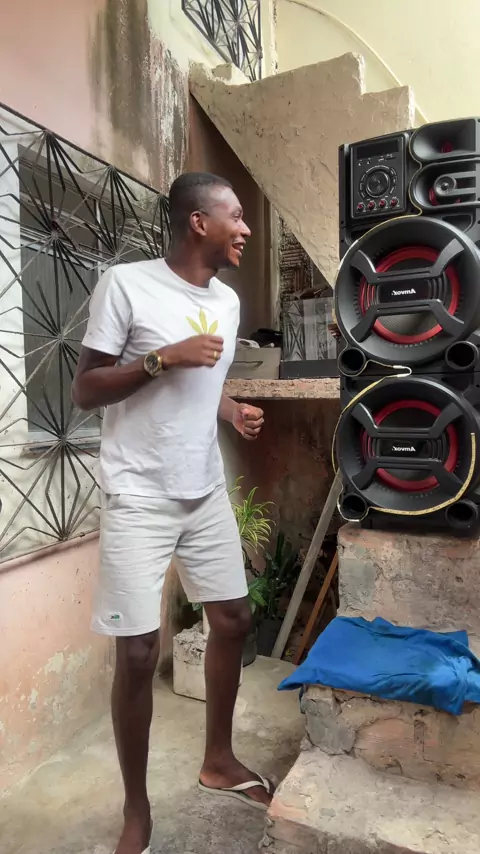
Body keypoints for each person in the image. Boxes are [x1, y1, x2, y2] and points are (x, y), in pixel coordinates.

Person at [72, 172, 273, 854]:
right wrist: (162, 358)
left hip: (202, 486)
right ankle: (137, 811)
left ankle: (218, 760)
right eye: (235, 216)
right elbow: (85, 390)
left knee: (233, 618)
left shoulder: (227, 301)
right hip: (139, 492)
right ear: (198, 222)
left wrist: (230, 409)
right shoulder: (126, 285)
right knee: (137, 652)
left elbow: (203, 384)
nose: (245, 228)